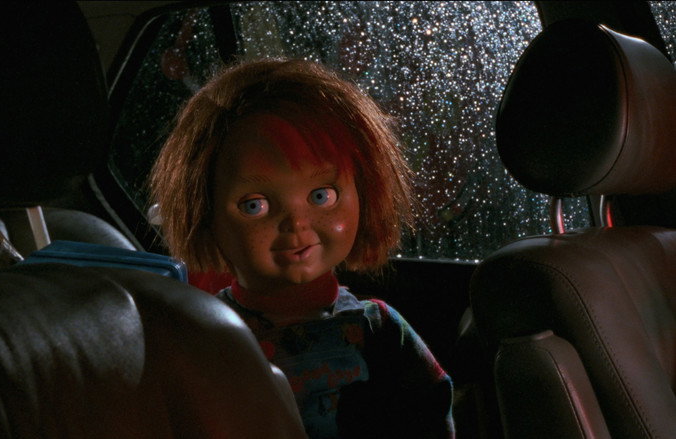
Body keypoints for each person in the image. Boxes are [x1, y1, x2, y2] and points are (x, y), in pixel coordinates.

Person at [150, 58, 454, 438]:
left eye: (322, 195)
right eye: (254, 205)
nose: (296, 223)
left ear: (366, 191)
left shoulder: (379, 330)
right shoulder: (202, 338)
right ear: (203, 213)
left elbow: (430, 414)